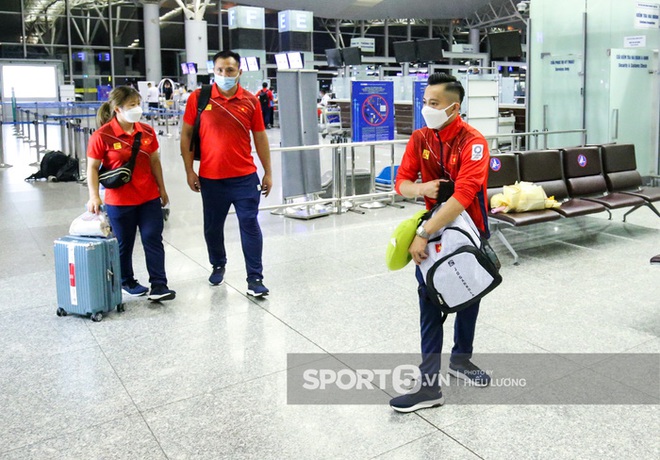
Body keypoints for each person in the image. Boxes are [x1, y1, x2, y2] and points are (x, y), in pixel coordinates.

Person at [390, 72, 491, 413]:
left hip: (469, 231)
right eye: (425, 102)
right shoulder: (420, 138)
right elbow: (401, 182)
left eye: (433, 104)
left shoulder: (473, 141)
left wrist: (423, 232)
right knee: (430, 301)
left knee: (468, 294)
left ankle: (461, 359)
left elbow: (463, 195)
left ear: (453, 107)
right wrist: (422, 189)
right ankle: (429, 386)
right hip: (435, 236)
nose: (426, 109)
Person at [180, 50, 273, 297]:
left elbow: (261, 137)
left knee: (249, 224)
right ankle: (217, 263)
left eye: (230, 70)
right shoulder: (199, 98)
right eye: (220, 70)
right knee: (213, 227)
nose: (224, 74)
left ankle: (255, 278)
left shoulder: (251, 101)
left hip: (244, 177)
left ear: (239, 72)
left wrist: (268, 172)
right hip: (211, 178)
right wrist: (190, 170)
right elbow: (187, 135)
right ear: (214, 71)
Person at [86, 86, 175, 301]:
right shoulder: (102, 135)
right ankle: (126, 280)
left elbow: (155, 161)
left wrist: (162, 189)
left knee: (153, 239)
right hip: (120, 201)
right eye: (131, 105)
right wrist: (94, 195)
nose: (137, 108)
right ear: (117, 109)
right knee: (124, 243)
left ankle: (159, 285)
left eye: (138, 103)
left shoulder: (146, 131)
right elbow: (92, 168)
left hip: (148, 197)